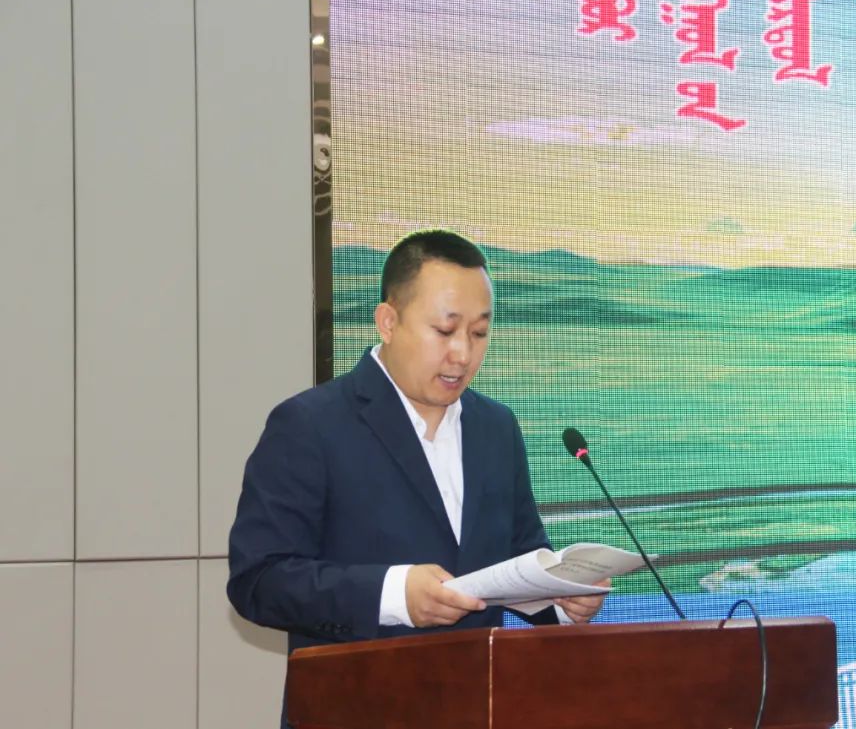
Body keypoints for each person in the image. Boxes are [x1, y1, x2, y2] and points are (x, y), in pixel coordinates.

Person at [227, 229, 606, 725]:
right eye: (445, 330)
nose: (463, 354)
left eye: (479, 333)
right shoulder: (309, 425)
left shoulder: (496, 427)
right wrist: (394, 594)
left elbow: (520, 554)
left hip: (479, 710)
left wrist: (558, 599)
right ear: (388, 322)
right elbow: (259, 580)